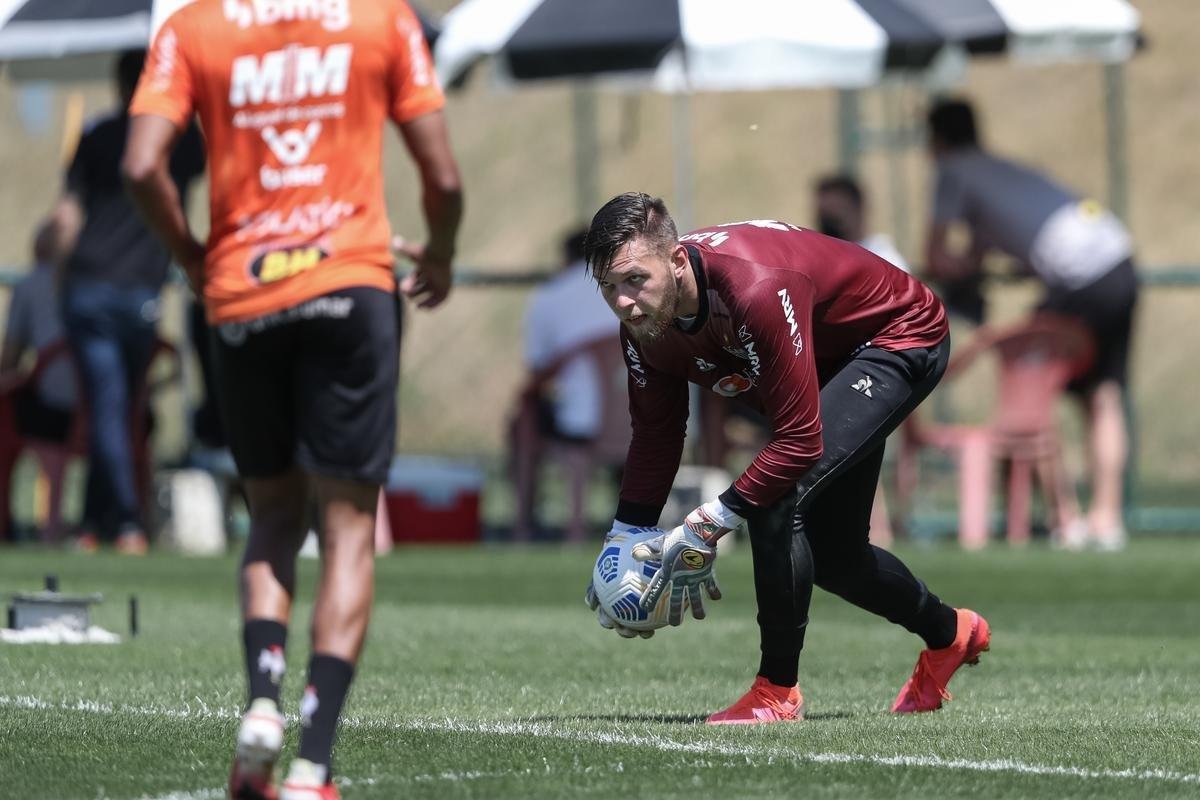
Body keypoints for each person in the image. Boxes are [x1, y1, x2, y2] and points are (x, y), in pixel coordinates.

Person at [123, 1, 463, 798]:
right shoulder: (382, 19)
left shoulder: (192, 26)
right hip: (350, 285)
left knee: (272, 515)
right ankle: (312, 763)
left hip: (243, 298)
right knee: (346, 529)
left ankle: (262, 704)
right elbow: (443, 178)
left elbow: (142, 166)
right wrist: (440, 254)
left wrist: (192, 260)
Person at [582, 192, 989, 724]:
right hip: (827, 357)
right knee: (836, 557)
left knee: (777, 498)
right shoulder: (643, 327)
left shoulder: (753, 287)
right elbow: (658, 434)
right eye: (609, 288)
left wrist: (707, 523)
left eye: (635, 279)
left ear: (678, 259)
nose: (625, 302)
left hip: (896, 335)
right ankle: (950, 633)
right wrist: (625, 535)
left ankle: (777, 691)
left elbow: (799, 440)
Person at [925, 98, 1138, 550]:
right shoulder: (1000, 167)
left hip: (1078, 278)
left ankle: (1067, 519)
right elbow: (989, 243)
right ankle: (1107, 518)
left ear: (936, 140)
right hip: (1119, 261)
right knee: (1104, 394)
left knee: (1032, 395)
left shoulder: (954, 170)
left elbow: (937, 255)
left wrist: (958, 278)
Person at [45, 49, 205, 555]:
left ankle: (105, 521)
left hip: (91, 289)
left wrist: (53, 270)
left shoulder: (98, 136)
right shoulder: (183, 142)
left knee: (110, 409)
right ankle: (119, 522)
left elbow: (67, 219)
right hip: (138, 290)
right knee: (119, 408)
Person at [511, 228, 619, 541]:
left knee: (524, 417)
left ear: (564, 259)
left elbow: (536, 369)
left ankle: (525, 526)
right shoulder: (633, 292)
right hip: (645, 416)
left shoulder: (549, 298)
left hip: (581, 423)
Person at [1, 221, 76, 445]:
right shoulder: (105, 283)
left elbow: (9, 360)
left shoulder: (29, 285)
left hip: (55, 413)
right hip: (119, 410)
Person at [815, 173, 909, 272]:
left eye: (836, 211)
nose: (829, 224)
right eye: (824, 213)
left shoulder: (885, 261)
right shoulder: (820, 260)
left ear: (858, 210)